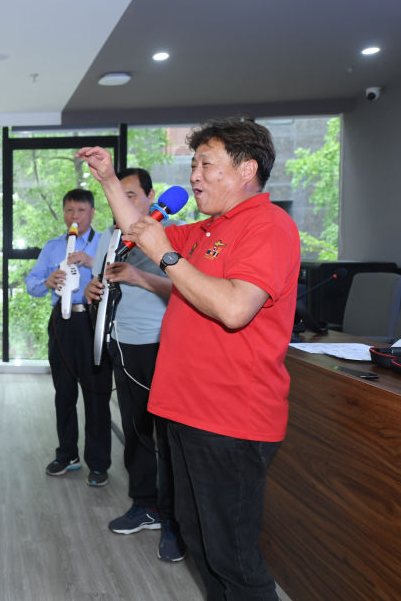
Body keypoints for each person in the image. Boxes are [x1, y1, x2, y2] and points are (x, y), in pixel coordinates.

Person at [79, 118, 300, 600]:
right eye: (193, 165)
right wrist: (109, 179)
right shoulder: (208, 228)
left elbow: (235, 309)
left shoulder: (268, 226)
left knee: (234, 560)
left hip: (230, 420)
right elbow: (136, 228)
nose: (194, 176)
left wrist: (166, 256)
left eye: (206, 164)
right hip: (185, 411)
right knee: (201, 544)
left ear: (247, 169)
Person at [83, 168, 184, 562]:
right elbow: (102, 282)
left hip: (163, 345)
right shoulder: (110, 238)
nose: (121, 203)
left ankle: (174, 521)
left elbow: (185, 288)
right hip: (122, 346)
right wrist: (92, 290)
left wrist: (139, 276)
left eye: (131, 195)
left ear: (151, 196)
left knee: (169, 438)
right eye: (117, 195)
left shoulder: (172, 235)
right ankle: (144, 504)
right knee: (136, 430)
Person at [25, 188, 112, 486]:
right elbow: (31, 283)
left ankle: (98, 464)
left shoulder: (104, 243)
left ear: (92, 213)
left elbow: (119, 276)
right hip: (61, 324)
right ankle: (67, 455)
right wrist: (47, 281)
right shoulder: (52, 247)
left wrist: (92, 262)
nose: (74, 216)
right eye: (69, 211)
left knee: (96, 394)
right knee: (64, 392)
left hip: (93, 321)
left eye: (81, 210)